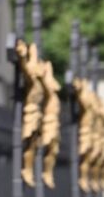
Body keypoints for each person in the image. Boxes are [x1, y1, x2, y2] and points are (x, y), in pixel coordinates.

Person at [15, 40, 44, 187]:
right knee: (29, 142)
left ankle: (29, 169)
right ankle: (27, 169)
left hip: (37, 115)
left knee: (33, 145)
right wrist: (22, 58)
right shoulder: (32, 80)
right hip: (31, 113)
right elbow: (26, 71)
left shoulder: (40, 83)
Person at [39, 59, 61, 188]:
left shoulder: (54, 96)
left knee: (53, 151)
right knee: (46, 146)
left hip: (54, 124)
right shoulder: (49, 93)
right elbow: (46, 88)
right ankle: (46, 172)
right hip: (49, 123)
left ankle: (48, 172)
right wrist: (44, 74)